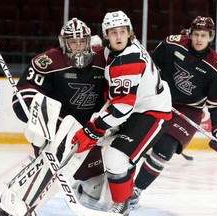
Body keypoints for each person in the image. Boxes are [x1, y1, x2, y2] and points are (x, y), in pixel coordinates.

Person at [0, 17, 107, 216]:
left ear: (89, 41)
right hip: (57, 130)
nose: (78, 47)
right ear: (64, 43)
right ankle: (15, 207)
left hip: (87, 133)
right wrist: (46, 124)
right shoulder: (48, 61)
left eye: (82, 41)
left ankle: (81, 189)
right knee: (49, 173)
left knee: (97, 186)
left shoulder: (104, 58)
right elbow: (23, 98)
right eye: (73, 42)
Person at [71, 10, 172, 215]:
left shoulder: (129, 60)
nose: (118, 37)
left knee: (116, 158)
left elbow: (122, 107)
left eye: (122, 32)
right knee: (104, 143)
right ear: (107, 35)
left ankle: (122, 202)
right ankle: (99, 186)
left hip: (152, 113)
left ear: (130, 33)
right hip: (137, 106)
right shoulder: (114, 50)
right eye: (113, 32)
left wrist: (93, 130)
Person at [130, 16, 217, 206]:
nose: (199, 39)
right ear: (190, 34)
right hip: (159, 98)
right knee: (134, 139)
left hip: (189, 109)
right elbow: (150, 64)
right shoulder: (172, 44)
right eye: (196, 34)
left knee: (164, 149)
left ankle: (136, 190)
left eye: (204, 35)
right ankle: (117, 182)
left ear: (210, 37)